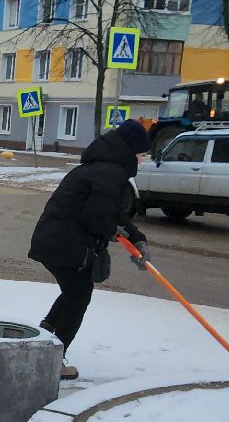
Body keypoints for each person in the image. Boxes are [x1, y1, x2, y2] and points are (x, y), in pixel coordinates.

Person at [26, 121, 151, 381]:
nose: (142, 159)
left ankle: (46, 336)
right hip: (64, 244)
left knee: (74, 292)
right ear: (130, 150)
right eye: (141, 153)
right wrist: (116, 233)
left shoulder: (103, 168)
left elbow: (113, 213)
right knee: (79, 296)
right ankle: (52, 360)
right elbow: (97, 217)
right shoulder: (109, 173)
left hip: (57, 241)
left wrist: (136, 237)